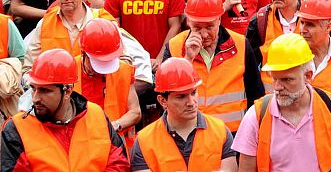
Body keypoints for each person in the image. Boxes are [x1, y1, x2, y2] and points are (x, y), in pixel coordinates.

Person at [234, 33, 331, 171]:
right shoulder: (256, 116)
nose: (278, 87)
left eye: (287, 80)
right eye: (275, 79)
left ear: (308, 76)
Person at [1, 49, 130, 171]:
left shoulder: (97, 116)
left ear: (67, 90)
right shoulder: (16, 128)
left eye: (45, 91)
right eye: (33, 88)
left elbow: (118, 164)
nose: (35, 98)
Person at [163, 0, 265, 133]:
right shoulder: (174, 47)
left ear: (219, 19)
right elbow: (166, 97)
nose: (204, 34)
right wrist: (187, 59)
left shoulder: (241, 44)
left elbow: (256, 96)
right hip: (190, 136)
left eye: (210, 26)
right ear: (188, 21)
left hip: (234, 137)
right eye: (197, 27)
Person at [130, 57, 238, 172]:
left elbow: (230, 169)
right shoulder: (144, 141)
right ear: (162, 101)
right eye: (181, 96)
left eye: (193, 93)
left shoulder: (220, 131)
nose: (191, 102)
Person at [75, 18, 141, 148]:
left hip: (115, 147)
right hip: (79, 145)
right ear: (84, 54)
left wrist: (114, 125)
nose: (103, 70)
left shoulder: (123, 70)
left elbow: (136, 112)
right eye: (98, 64)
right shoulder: (69, 70)